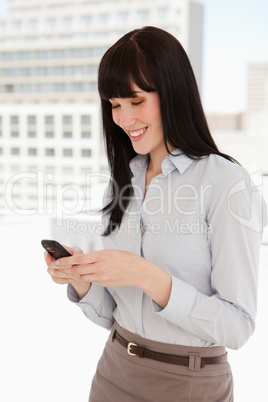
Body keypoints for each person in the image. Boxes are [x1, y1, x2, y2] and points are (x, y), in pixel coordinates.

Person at [45, 26, 267, 401]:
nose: (123, 118)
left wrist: (149, 278)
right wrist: (82, 279)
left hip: (191, 383)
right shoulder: (122, 182)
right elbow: (112, 316)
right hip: (114, 371)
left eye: (135, 101)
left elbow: (238, 327)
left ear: (172, 93)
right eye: (114, 105)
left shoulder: (227, 183)